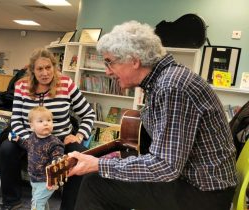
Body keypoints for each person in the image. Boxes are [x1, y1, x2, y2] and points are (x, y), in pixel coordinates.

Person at [68, 20, 237, 210]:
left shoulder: (171, 86)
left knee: (95, 184)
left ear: (134, 60)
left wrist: (100, 165)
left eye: (110, 62)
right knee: (106, 179)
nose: (107, 72)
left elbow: (166, 166)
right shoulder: (164, 80)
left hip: (203, 192)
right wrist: (110, 159)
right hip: (192, 182)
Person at [0, 48, 95, 210]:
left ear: (54, 67)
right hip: (28, 139)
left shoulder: (66, 84)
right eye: (39, 69)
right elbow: (15, 120)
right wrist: (30, 142)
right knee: (6, 149)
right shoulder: (21, 86)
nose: (44, 73)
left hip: (60, 141)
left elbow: (89, 114)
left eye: (48, 67)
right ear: (32, 71)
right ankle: (12, 202)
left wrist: (79, 135)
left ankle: (69, 207)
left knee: (80, 156)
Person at [11, 106, 64, 210]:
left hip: (47, 180)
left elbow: (58, 155)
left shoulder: (54, 143)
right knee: (41, 202)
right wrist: (18, 139)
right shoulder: (32, 137)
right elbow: (27, 144)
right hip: (34, 178)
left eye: (49, 120)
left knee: (36, 203)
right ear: (32, 126)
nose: (46, 123)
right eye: (40, 121)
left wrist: (56, 160)